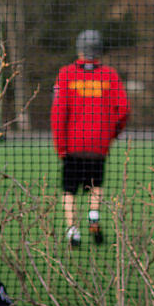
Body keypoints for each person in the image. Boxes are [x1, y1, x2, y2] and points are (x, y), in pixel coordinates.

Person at [51, 29, 130, 248]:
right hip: (98, 145)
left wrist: (60, 145)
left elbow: (58, 111)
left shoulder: (66, 74)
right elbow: (123, 109)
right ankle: (93, 216)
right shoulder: (110, 75)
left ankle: (73, 231)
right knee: (95, 184)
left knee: (69, 190)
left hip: (72, 144)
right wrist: (111, 135)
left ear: (79, 49)